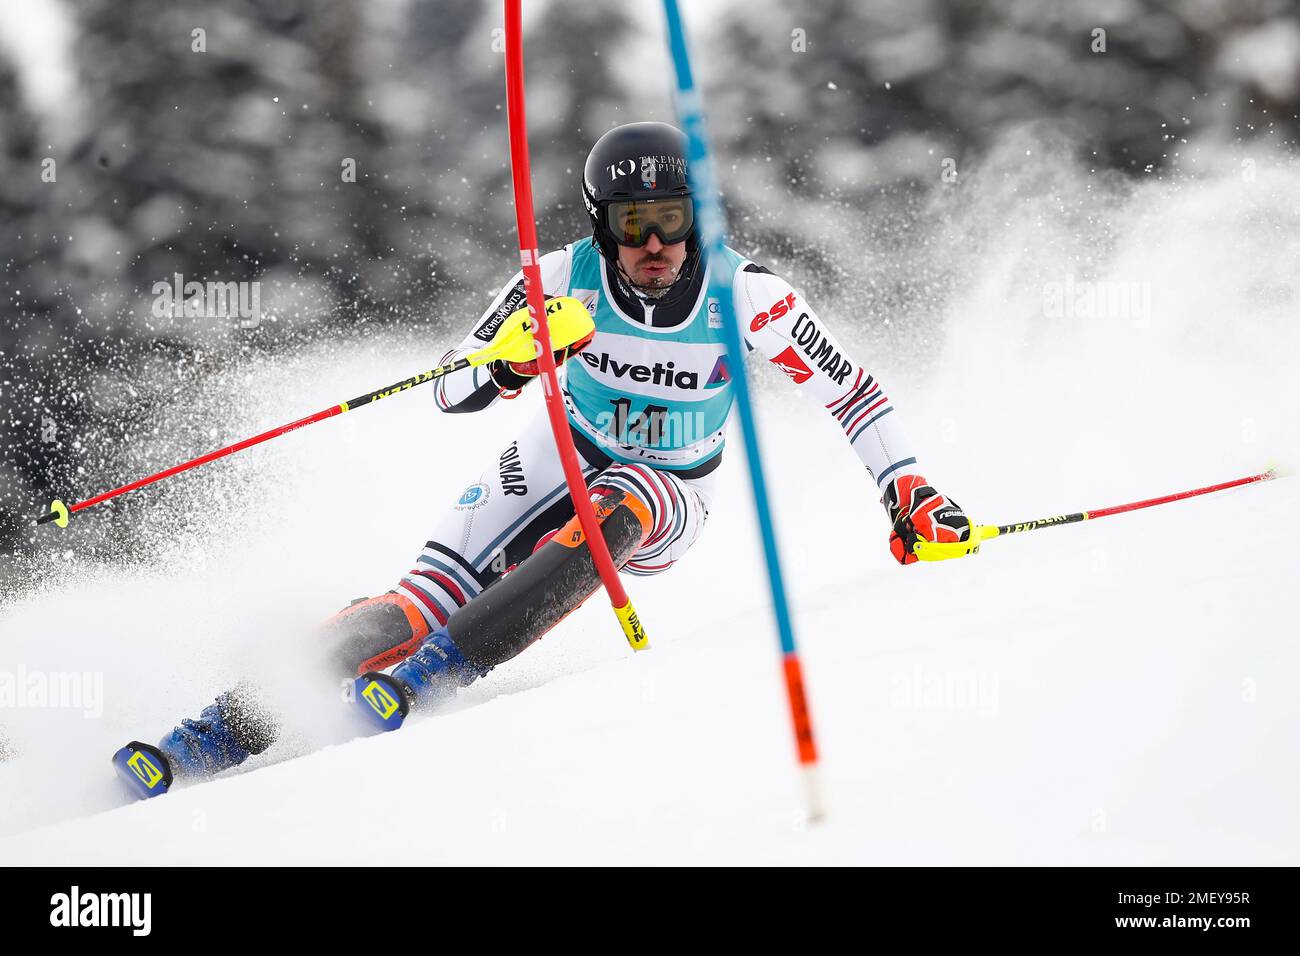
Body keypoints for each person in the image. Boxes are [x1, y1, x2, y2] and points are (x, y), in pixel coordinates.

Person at [114, 122, 971, 791]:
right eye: (632, 225)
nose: (654, 246)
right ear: (602, 224)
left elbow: (852, 392)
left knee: (619, 509)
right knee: (410, 603)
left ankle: (435, 673)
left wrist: (910, 493)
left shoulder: (749, 299)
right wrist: (514, 360)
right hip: (557, 452)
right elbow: (450, 387)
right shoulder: (559, 275)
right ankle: (207, 734)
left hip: (671, 489)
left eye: (670, 221)